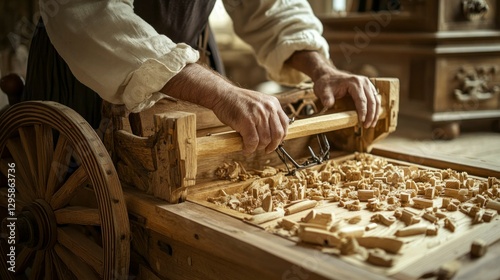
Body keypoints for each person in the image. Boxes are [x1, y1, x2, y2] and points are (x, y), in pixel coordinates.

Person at [24, 0, 380, 155]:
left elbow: (271, 7)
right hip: (87, 68)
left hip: (188, 59)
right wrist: (223, 94)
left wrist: (323, 70)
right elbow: (92, 16)